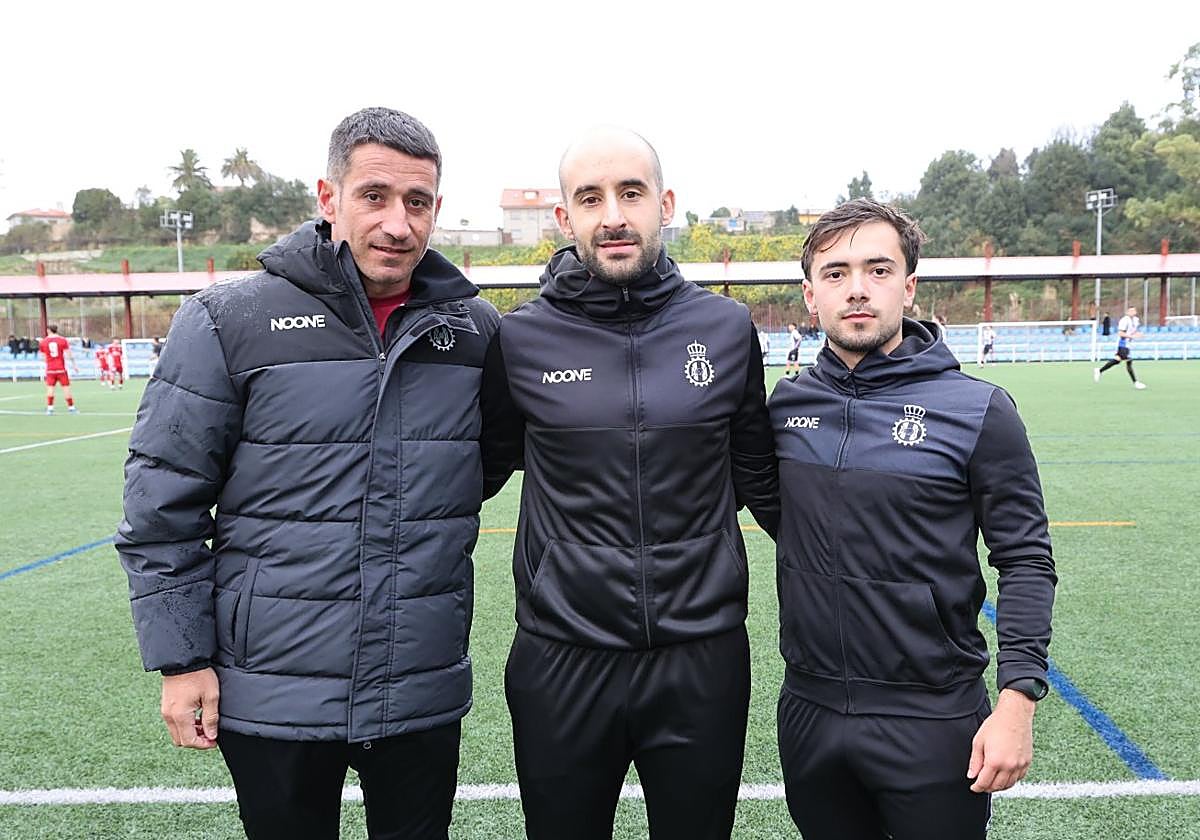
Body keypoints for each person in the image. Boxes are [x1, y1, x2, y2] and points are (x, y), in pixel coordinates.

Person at [116, 107, 499, 840]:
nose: (397, 223)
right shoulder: (229, 320)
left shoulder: (474, 331)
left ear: (437, 210)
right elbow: (162, 503)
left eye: (417, 203)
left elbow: (484, 461)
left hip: (417, 683)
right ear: (329, 200)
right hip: (271, 691)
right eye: (375, 196)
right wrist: (181, 660)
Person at [480, 126, 780, 840]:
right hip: (561, 660)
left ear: (665, 203)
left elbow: (762, 481)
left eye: (631, 193)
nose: (612, 214)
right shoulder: (518, 339)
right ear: (565, 218)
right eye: (590, 197)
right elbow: (472, 473)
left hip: (701, 659)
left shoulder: (728, 328)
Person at [768, 199, 1056, 840]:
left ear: (909, 285)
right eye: (836, 273)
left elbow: (1027, 559)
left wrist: (1018, 699)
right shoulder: (786, 407)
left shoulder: (979, 410)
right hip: (809, 709)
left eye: (878, 268)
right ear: (811, 295)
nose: (858, 289)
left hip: (932, 716)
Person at [1094, 306, 1147, 389]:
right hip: (1122, 343)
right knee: (1129, 360)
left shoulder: (1136, 320)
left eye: (1134, 310)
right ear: (1127, 312)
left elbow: (1133, 331)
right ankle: (1136, 382)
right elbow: (1120, 333)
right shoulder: (1124, 320)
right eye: (1130, 311)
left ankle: (1099, 371)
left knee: (1117, 360)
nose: (1132, 312)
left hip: (1128, 344)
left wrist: (1138, 334)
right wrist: (1132, 336)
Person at [39, 325, 78, 414]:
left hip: (50, 369)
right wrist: (74, 365)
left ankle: (50, 408)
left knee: (50, 388)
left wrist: (49, 362)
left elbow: (43, 357)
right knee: (66, 388)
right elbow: (69, 355)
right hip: (61, 369)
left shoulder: (43, 342)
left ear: (48, 330)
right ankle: (71, 408)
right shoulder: (63, 340)